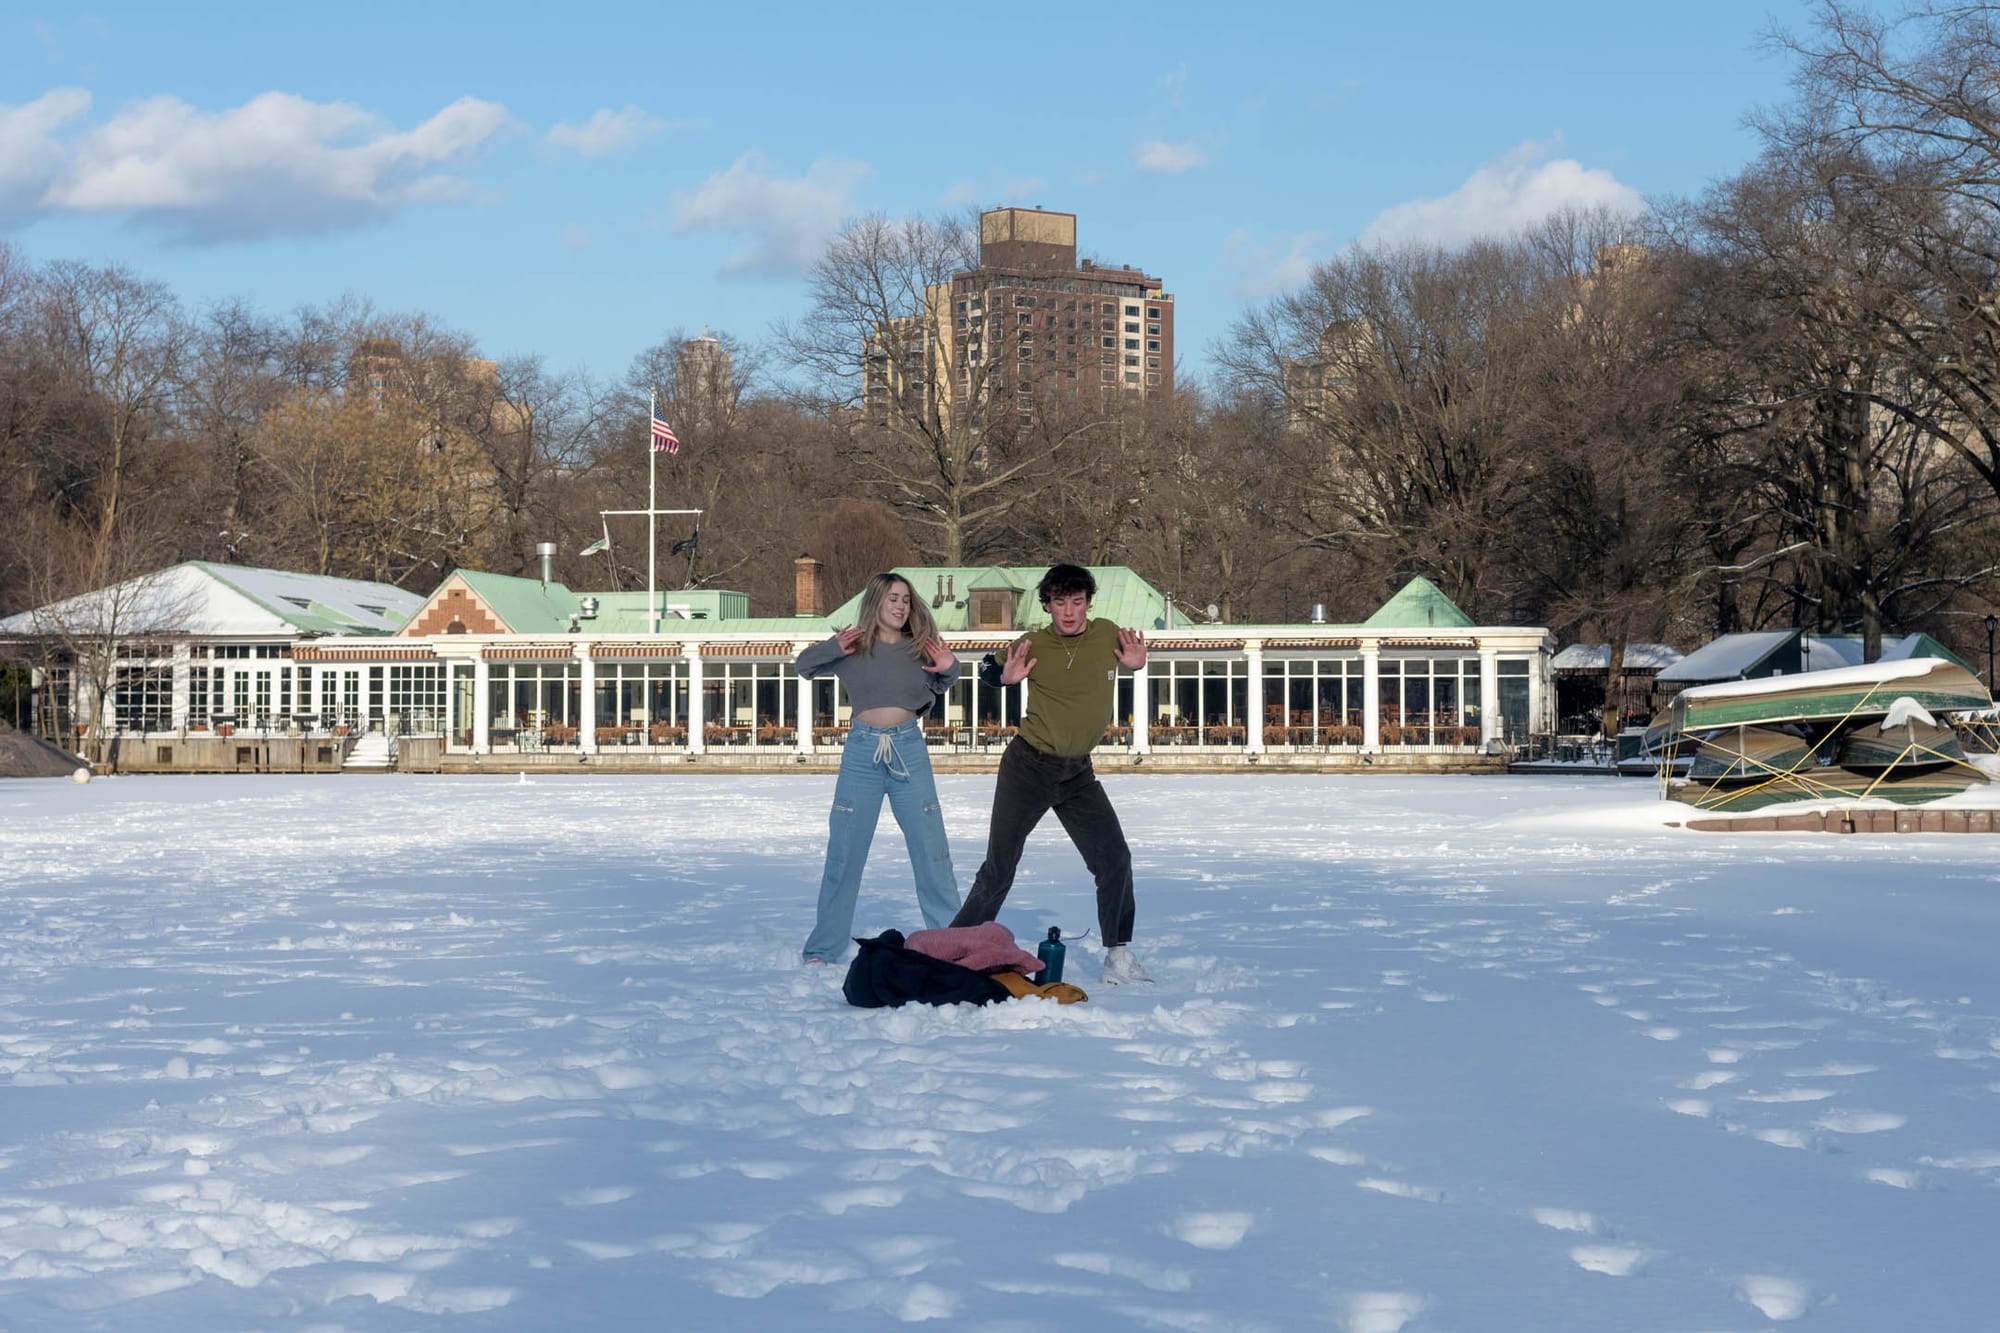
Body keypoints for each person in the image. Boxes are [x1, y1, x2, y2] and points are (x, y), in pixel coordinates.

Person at [949, 563, 1152, 984]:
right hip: (1029, 767)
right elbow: (988, 669)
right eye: (1060, 602)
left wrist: (1136, 664)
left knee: (1114, 858)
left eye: (1077, 602)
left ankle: (1117, 956)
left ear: (1088, 603)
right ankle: (954, 950)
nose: (1070, 612)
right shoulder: (1033, 642)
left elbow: (1132, 658)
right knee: (1000, 866)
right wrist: (1001, 678)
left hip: (1078, 773)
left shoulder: (1107, 634)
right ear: (1047, 605)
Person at [795, 572, 962, 964]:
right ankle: (823, 947)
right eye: (893, 598)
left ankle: (952, 944)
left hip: (909, 751)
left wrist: (950, 665)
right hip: (862, 755)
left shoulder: (920, 649)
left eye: (906, 599)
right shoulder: (852, 649)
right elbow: (804, 665)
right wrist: (832, 645)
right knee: (845, 853)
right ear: (875, 602)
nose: (901, 605)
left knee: (931, 850)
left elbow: (945, 679)